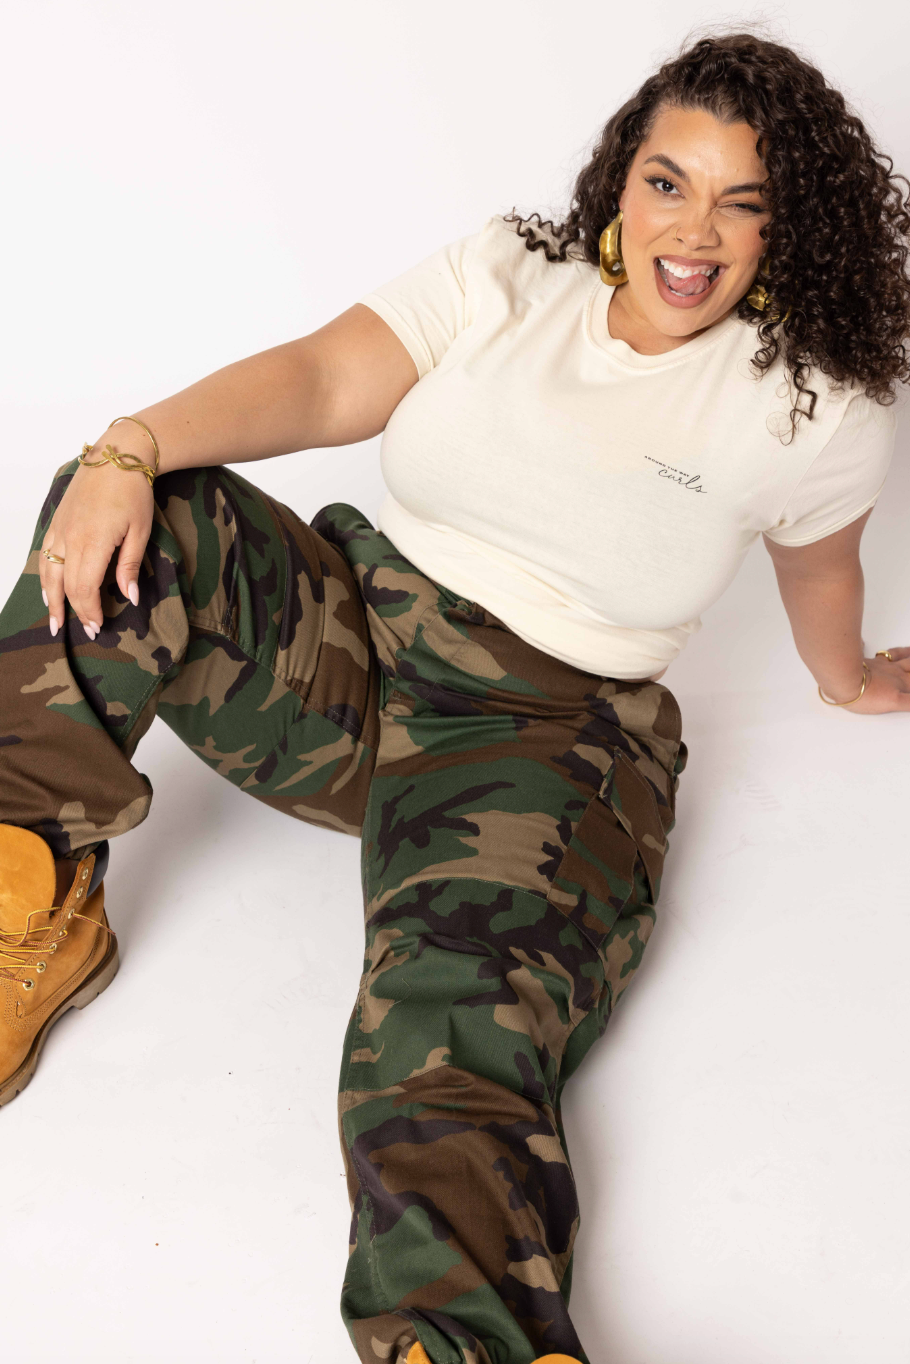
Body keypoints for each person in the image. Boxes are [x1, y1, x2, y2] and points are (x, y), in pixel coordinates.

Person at [1, 28, 908, 1364]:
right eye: (668, 182)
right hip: (355, 649)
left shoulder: (816, 404)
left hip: (543, 740)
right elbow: (323, 378)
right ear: (622, 177)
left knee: (444, 1010)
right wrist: (123, 448)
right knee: (135, 520)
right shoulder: (512, 272)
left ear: (792, 227)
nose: (693, 232)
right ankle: (27, 891)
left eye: (742, 203)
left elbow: (820, 567)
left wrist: (847, 679)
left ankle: (469, 1342)